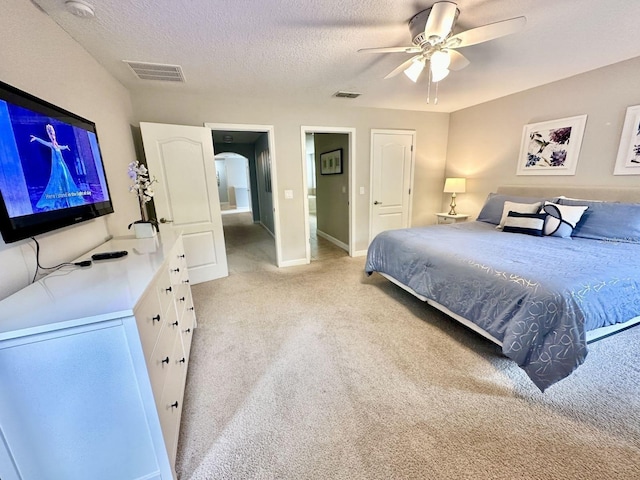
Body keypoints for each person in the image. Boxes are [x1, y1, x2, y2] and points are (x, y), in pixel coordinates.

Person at [30, 124, 85, 209]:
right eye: (51, 135)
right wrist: (36, 138)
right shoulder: (51, 144)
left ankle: (66, 196)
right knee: (57, 181)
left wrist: (66, 147)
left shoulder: (57, 145)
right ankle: (60, 197)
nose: (53, 137)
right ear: (49, 136)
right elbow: (44, 142)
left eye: (54, 135)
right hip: (57, 168)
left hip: (62, 166)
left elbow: (61, 147)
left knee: (65, 180)